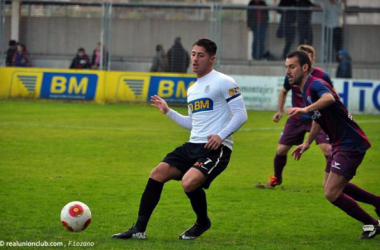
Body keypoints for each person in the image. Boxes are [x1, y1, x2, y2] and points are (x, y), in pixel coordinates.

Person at [112, 38, 248, 240]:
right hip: (192, 145)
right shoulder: (192, 89)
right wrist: (168, 111)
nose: (194, 59)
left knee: (188, 183)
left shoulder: (224, 82)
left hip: (215, 148)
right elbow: (193, 124)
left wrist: (221, 136)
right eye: (193, 54)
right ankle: (139, 229)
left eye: (200, 55)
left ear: (212, 59)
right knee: (157, 173)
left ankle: (203, 222)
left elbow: (241, 115)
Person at [284, 50, 380, 239]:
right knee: (332, 186)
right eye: (286, 67)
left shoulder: (316, 84)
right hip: (339, 143)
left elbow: (328, 99)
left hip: (350, 143)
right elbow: (318, 118)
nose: (287, 71)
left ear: (304, 67)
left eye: (292, 67)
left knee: (331, 192)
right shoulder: (305, 89)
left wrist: (305, 108)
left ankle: (372, 224)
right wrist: (307, 143)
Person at [262, 44, 333, 188]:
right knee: (281, 150)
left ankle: (334, 182)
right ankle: (277, 178)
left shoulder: (321, 77)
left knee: (328, 150)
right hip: (297, 118)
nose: (289, 70)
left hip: (317, 118)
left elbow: (331, 96)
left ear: (311, 60)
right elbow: (283, 91)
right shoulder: (292, 76)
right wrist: (280, 111)